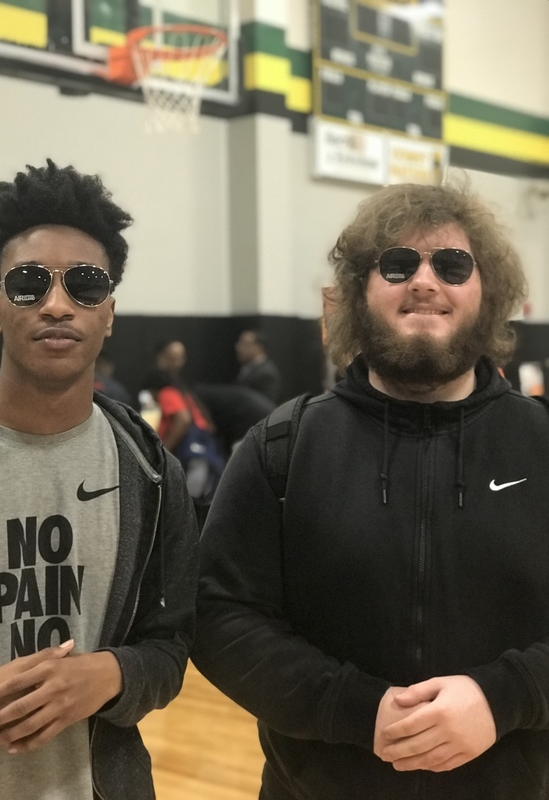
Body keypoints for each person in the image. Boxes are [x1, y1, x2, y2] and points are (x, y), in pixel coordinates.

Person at [191, 182, 549, 799]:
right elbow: (219, 617)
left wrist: (504, 698)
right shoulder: (280, 447)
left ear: (487, 293)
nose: (425, 281)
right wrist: (358, 710)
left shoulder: (541, 445)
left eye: (452, 265)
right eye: (398, 264)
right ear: (359, 292)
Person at [0, 160, 198, 800]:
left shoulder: (150, 471)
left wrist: (112, 675)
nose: (57, 305)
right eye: (28, 283)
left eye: (85, 285)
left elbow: (170, 648)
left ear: (109, 313)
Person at [145, 339, 224, 513]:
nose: (178, 363)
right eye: (173, 357)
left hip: (195, 459)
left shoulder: (168, 391)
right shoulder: (182, 390)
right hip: (202, 457)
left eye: (180, 358)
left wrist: (163, 452)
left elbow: (183, 419)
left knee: (187, 511)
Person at [235, 329, 282, 403]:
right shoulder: (247, 367)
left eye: (244, 344)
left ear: (259, 347)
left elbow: (264, 405)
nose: (238, 348)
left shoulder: (267, 374)